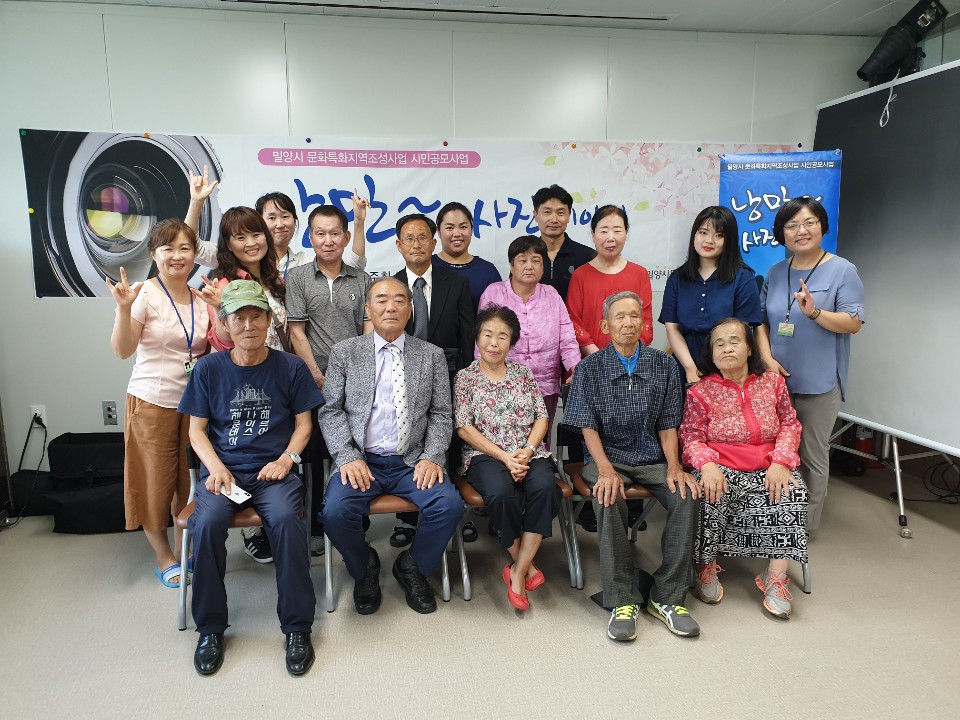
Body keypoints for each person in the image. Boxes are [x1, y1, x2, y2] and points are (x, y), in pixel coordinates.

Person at [178, 280, 322, 676]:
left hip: (274, 471)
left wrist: (287, 458)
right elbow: (196, 431)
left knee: (288, 523)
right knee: (206, 524)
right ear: (224, 323)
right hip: (223, 472)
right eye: (238, 318)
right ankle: (210, 629)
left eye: (256, 316)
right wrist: (216, 467)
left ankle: (297, 627)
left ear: (269, 318)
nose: (248, 325)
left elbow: (304, 425)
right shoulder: (208, 369)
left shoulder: (290, 367)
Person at [318, 277, 464, 615]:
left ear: (410, 309)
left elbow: (442, 413)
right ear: (367, 309)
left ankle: (411, 566)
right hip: (361, 461)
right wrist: (347, 456)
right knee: (334, 513)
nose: (391, 307)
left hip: (411, 462)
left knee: (449, 506)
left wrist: (432, 456)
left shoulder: (431, 355)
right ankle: (363, 567)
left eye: (399, 300)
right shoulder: (345, 352)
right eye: (381, 300)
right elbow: (331, 410)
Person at [563, 291, 701, 642]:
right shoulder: (589, 368)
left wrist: (674, 466)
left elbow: (668, 424)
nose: (628, 323)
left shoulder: (664, 365)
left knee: (685, 495)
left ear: (644, 322)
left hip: (652, 457)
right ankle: (622, 598)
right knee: (607, 495)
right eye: (620, 317)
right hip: (606, 458)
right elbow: (587, 427)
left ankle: (667, 597)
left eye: (635, 316)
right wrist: (605, 469)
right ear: (605, 325)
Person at [680, 318, 807, 619]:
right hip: (721, 466)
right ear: (711, 355)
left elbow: (790, 424)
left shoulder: (773, 382)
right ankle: (706, 566)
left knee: (792, 492)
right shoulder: (700, 392)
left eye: (735, 341)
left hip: (769, 465)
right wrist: (707, 465)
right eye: (719, 344)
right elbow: (691, 436)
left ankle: (775, 577)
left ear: (750, 348)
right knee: (709, 491)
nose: (727, 348)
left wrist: (781, 461)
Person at [108, 219, 210, 590]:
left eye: (185, 248)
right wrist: (123, 310)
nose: (177, 256)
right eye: (168, 249)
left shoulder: (202, 298)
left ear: (194, 254)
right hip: (152, 402)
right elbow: (122, 351)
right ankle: (164, 556)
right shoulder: (143, 294)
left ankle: (184, 547)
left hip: (193, 407)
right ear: (154, 254)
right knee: (154, 483)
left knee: (188, 482)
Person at [755, 197, 865, 533]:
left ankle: (802, 528)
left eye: (809, 223)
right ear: (782, 233)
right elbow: (760, 321)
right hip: (776, 381)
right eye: (792, 225)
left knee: (812, 454)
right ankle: (774, 519)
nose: (801, 231)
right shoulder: (776, 272)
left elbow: (853, 323)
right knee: (773, 451)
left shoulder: (843, 270)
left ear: (822, 227)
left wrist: (815, 313)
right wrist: (767, 360)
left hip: (819, 381)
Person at [193, 207, 289, 564]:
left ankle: (275, 522)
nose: (250, 242)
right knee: (245, 446)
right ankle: (252, 530)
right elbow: (221, 341)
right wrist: (221, 310)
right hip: (243, 381)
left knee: (274, 453)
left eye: (256, 234)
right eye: (240, 237)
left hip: (278, 376)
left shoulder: (273, 278)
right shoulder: (223, 283)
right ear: (227, 244)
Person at [455, 306, 561, 610]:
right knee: (500, 492)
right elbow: (463, 427)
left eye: (502, 336)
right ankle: (524, 565)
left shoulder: (523, 374)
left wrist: (527, 451)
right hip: (485, 454)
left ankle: (517, 570)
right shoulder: (465, 377)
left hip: (527, 451)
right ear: (477, 338)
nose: (494, 342)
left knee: (546, 488)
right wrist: (504, 457)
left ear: (511, 342)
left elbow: (542, 417)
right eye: (488, 335)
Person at [286, 204, 373, 556]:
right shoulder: (298, 277)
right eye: (320, 233)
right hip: (313, 381)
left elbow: (368, 329)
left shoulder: (362, 279)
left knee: (355, 448)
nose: (328, 240)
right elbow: (296, 331)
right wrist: (317, 375)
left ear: (346, 237)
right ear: (310, 237)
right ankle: (316, 527)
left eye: (335, 233)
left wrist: (359, 373)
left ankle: (356, 523)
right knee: (316, 455)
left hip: (356, 380)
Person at [392, 213, 475, 546]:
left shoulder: (457, 283)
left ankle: (456, 513)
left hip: (451, 373)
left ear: (433, 242)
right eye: (409, 238)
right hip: (400, 377)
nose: (416, 244)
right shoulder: (389, 286)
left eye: (422, 237)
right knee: (408, 441)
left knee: (449, 441)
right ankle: (407, 520)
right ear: (399, 245)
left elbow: (467, 336)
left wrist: (466, 380)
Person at [477, 235, 580, 441]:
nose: (529, 266)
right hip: (502, 384)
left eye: (536, 261)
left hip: (545, 383)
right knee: (504, 440)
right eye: (522, 260)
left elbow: (567, 337)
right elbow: (482, 340)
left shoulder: (552, 295)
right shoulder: (494, 293)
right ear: (511, 265)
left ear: (543, 267)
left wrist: (574, 366)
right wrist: (482, 378)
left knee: (540, 441)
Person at [185, 165, 369, 272]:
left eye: (285, 216)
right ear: (259, 222)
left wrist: (359, 222)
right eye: (271, 218)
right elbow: (193, 248)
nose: (280, 224)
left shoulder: (305, 262)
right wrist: (196, 202)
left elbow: (355, 266)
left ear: (295, 221)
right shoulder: (241, 255)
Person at [659, 206, 762, 384]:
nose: (709, 240)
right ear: (695, 234)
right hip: (685, 363)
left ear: (729, 240)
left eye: (719, 235)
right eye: (703, 232)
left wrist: (723, 369)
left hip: (728, 365)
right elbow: (672, 328)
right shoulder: (677, 278)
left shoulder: (743, 278)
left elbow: (738, 333)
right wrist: (690, 368)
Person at [567, 205, 654, 354]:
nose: (611, 238)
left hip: (631, 359)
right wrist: (599, 358)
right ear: (593, 234)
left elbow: (645, 321)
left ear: (626, 233)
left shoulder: (639, 274)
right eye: (604, 231)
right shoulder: (580, 276)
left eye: (617, 231)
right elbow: (574, 322)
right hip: (590, 360)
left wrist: (626, 356)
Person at [432, 201, 501, 312]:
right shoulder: (427, 266)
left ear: (472, 230)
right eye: (449, 228)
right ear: (438, 231)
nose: (457, 233)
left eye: (463, 227)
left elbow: (499, 315)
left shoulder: (488, 271)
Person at [532, 184, 594, 301]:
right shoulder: (525, 256)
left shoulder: (587, 257)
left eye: (560, 213)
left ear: (569, 216)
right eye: (547, 212)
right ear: (535, 215)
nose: (554, 220)